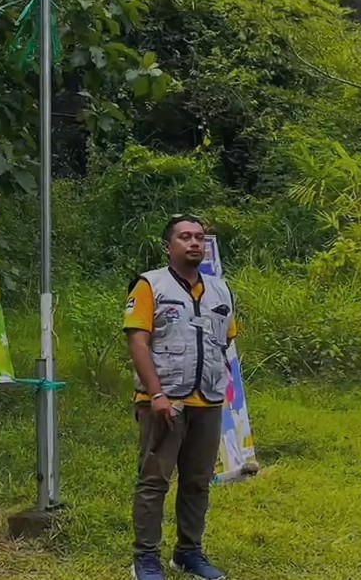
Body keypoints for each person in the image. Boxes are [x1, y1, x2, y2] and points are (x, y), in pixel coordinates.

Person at [124, 214, 238, 580]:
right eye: (185, 237)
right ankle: (145, 559)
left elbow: (226, 338)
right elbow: (138, 342)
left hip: (208, 400)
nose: (194, 243)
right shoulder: (150, 285)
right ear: (168, 246)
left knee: (197, 481)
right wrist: (155, 393)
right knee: (154, 480)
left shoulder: (220, 289)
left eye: (199, 237)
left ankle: (188, 552)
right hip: (164, 400)